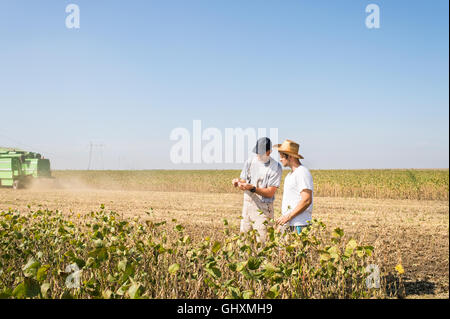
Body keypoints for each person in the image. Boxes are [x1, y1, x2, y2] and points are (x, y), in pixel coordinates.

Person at [232, 137, 282, 243]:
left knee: (263, 242)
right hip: (247, 206)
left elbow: (270, 192)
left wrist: (253, 189)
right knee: (244, 241)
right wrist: (239, 183)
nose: (258, 155)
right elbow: (243, 180)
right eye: (257, 152)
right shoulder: (250, 162)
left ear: (269, 152)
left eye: (262, 153)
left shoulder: (275, 167)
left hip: (263, 209)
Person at [274, 139, 313, 234]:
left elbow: (307, 200)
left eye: (282, 156)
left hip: (299, 224)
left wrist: (288, 217)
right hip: (289, 224)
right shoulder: (289, 175)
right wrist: (283, 222)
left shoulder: (302, 172)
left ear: (290, 156)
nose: (280, 159)